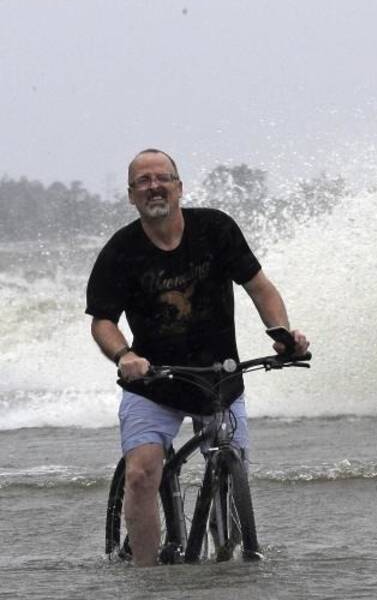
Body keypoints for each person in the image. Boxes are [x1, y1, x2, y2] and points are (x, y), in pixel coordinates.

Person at [85, 148, 309, 566]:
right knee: (142, 473)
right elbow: (102, 322)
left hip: (220, 377)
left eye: (162, 177)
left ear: (179, 187)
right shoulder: (121, 250)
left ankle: (231, 557)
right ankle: (147, 578)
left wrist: (282, 335)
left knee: (232, 468)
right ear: (131, 195)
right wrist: (125, 355)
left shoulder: (216, 229)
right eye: (143, 181)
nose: (154, 186)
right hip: (153, 381)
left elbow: (260, 287)